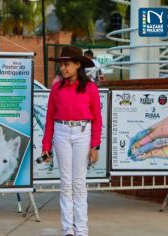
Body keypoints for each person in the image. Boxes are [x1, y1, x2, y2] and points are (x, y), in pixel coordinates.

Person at [42, 46, 102, 236]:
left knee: (79, 182)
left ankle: (82, 230)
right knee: (66, 182)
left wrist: (95, 146)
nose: (63, 68)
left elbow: (97, 119)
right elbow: (49, 118)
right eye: (61, 65)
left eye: (67, 64)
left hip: (83, 133)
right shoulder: (56, 89)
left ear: (78, 65)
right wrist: (45, 146)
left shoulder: (91, 88)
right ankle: (68, 229)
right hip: (61, 133)